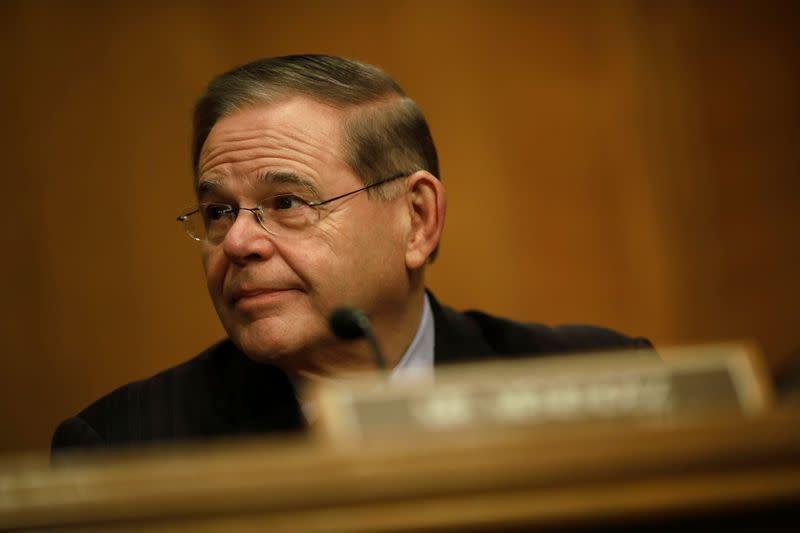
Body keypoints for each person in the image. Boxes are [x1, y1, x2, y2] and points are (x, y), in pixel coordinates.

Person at [52, 55, 651, 451]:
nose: (237, 242)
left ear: (417, 220)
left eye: (286, 202)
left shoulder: (606, 387)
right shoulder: (124, 445)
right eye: (218, 212)